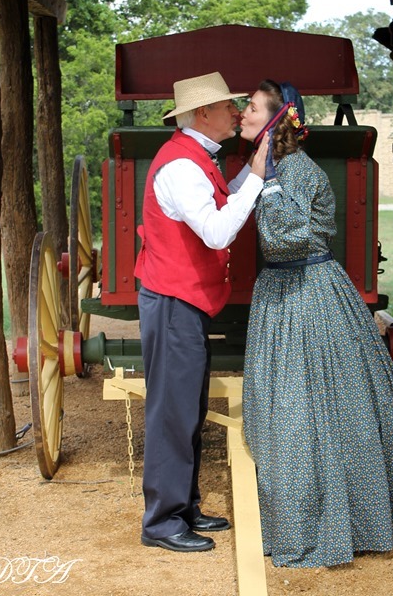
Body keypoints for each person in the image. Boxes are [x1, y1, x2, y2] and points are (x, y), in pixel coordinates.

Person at [239, 78, 393, 568]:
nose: (241, 113)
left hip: (308, 295)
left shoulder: (293, 171)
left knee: (303, 412)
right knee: (299, 411)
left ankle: (330, 523)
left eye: (250, 107)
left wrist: (261, 180)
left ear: (274, 121)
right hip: (285, 293)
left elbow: (282, 240)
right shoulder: (280, 168)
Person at [134, 71, 269, 553]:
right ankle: (162, 522)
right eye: (226, 105)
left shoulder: (196, 159)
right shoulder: (181, 167)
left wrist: (251, 175)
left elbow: (223, 200)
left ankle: (183, 506)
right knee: (173, 411)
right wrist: (257, 176)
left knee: (186, 407)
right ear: (201, 115)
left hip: (182, 300)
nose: (236, 111)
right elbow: (216, 232)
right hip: (173, 301)